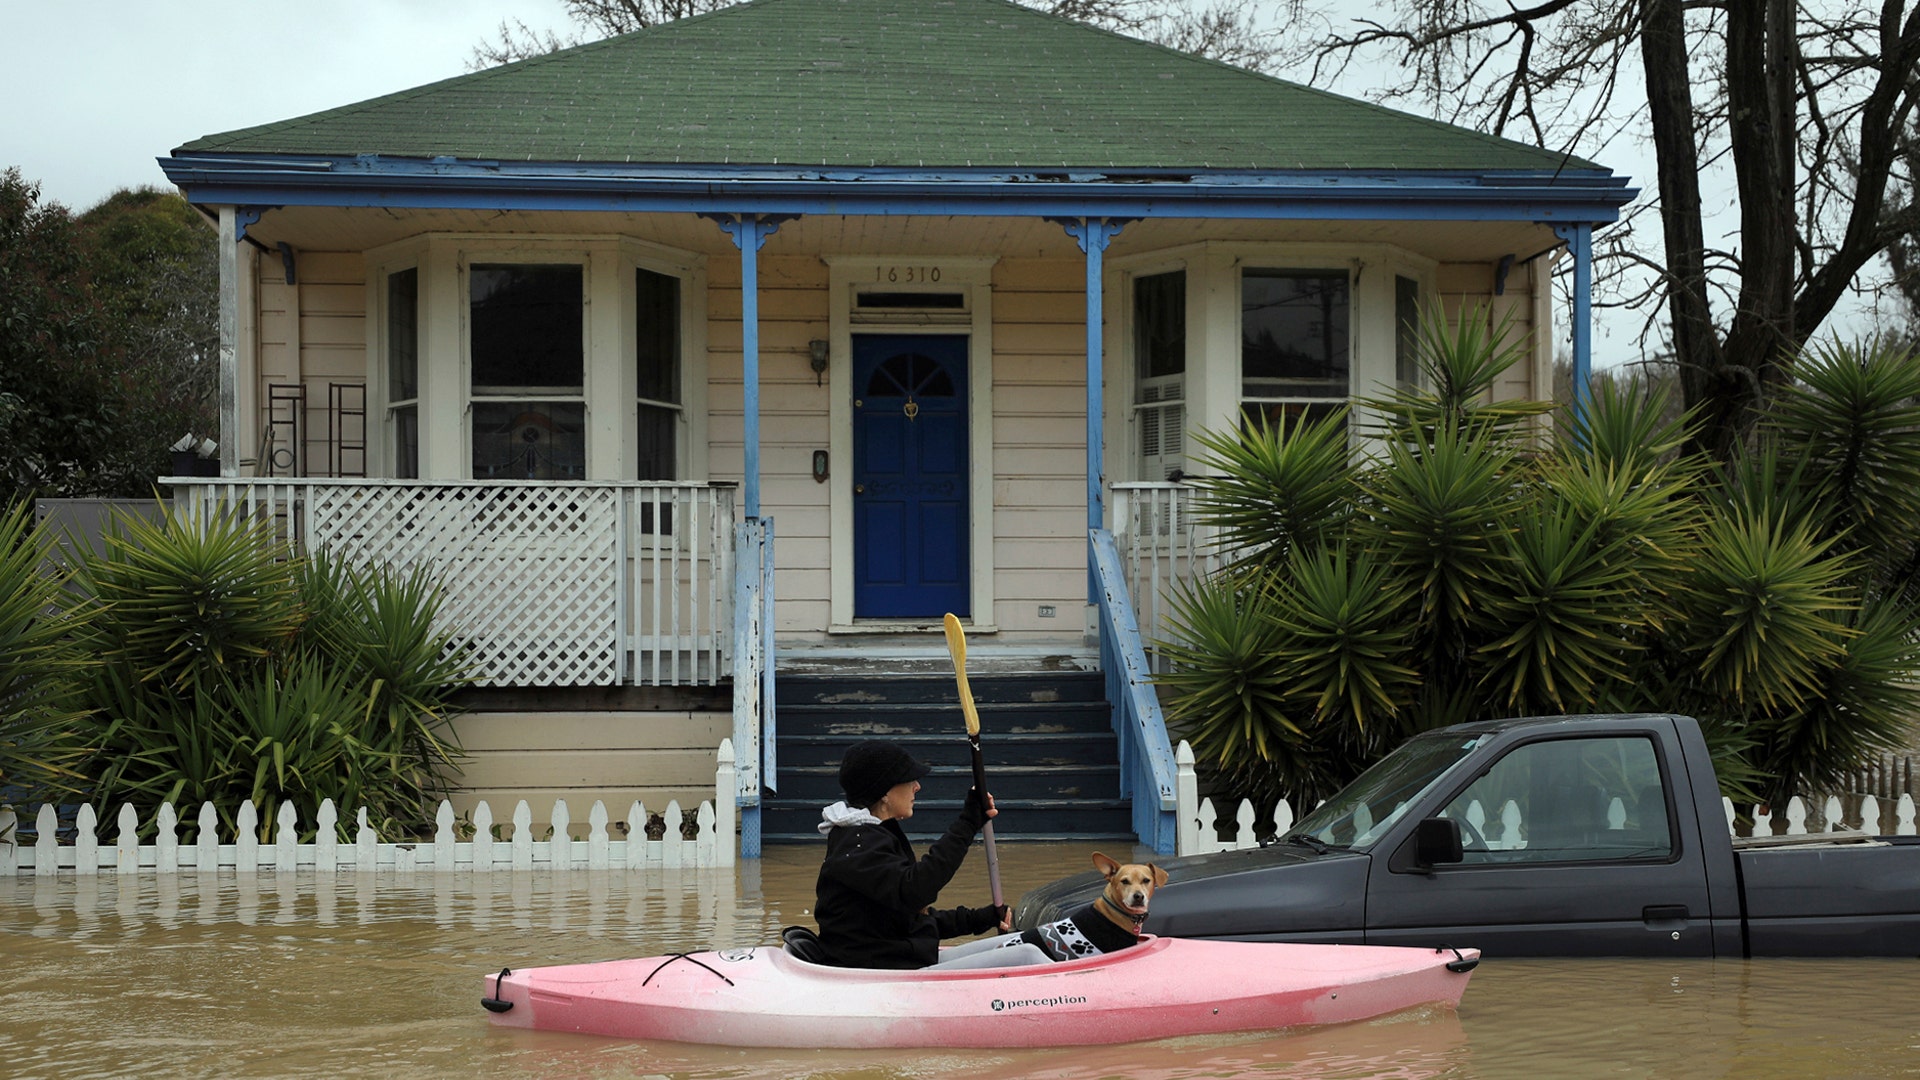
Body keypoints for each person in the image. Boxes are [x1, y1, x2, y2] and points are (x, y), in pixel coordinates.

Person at [813, 739, 1048, 969]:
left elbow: (912, 919)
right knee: (1027, 956)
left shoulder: (871, 837)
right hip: (882, 973)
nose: (917, 786)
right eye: (909, 780)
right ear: (884, 791)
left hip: (899, 960)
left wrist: (982, 918)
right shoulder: (858, 845)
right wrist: (968, 822)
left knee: (1018, 944)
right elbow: (916, 890)